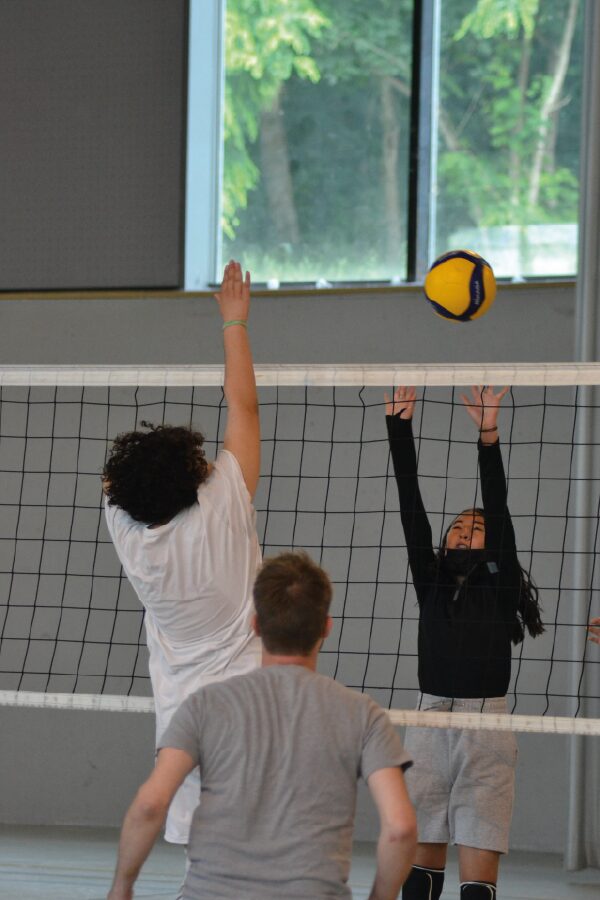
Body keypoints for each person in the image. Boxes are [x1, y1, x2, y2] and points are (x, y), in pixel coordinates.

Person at [107, 551, 417, 900]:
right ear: (326, 627)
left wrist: (121, 887)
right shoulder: (362, 714)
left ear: (255, 625)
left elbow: (150, 805)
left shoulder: (204, 705)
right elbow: (401, 828)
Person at [102, 260, 261, 846]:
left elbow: (114, 484)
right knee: (257, 841)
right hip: (251, 705)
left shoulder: (125, 529)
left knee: (203, 849)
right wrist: (234, 321)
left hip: (181, 718)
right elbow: (244, 409)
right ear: (196, 479)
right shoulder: (222, 502)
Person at [385, 385, 545, 900]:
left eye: (474, 527)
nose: (462, 530)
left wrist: (488, 434)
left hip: (485, 726)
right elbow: (411, 507)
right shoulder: (429, 580)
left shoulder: (500, 583)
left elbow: (497, 506)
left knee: (477, 880)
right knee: (418, 873)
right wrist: (398, 427)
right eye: (456, 525)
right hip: (429, 720)